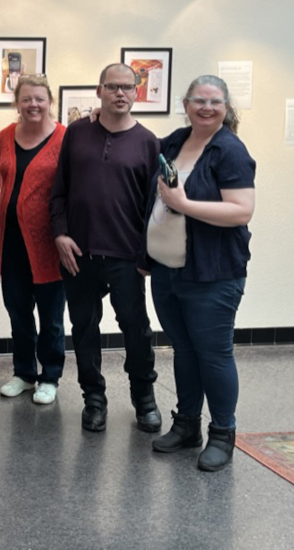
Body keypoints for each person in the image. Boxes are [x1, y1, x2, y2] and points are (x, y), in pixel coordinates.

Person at [147, 76, 255, 472]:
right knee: (185, 349)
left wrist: (183, 203)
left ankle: (223, 434)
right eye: (199, 100)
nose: (206, 107)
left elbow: (241, 210)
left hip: (213, 274)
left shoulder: (230, 150)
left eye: (214, 101)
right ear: (186, 103)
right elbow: (140, 149)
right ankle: (187, 424)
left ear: (226, 106)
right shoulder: (175, 141)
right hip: (169, 270)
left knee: (213, 354)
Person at [50, 63, 161, 433]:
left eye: (128, 87)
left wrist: (147, 256)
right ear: (99, 91)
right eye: (112, 86)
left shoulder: (148, 142)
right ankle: (93, 399)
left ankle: (144, 399)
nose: (120, 93)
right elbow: (59, 191)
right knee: (83, 328)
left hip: (126, 255)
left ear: (136, 92)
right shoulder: (77, 133)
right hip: (78, 253)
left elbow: (154, 208)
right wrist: (60, 234)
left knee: (136, 329)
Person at [0, 75, 67, 406]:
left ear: (50, 101)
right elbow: (3, 173)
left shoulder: (65, 138)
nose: (33, 105)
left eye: (39, 98)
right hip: (11, 244)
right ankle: (24, 373)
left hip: (49, 246)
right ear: (17, 103)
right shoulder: (5, 136)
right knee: (18, 313)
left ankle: (50, 376)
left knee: (51, 316)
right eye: (26, 99)